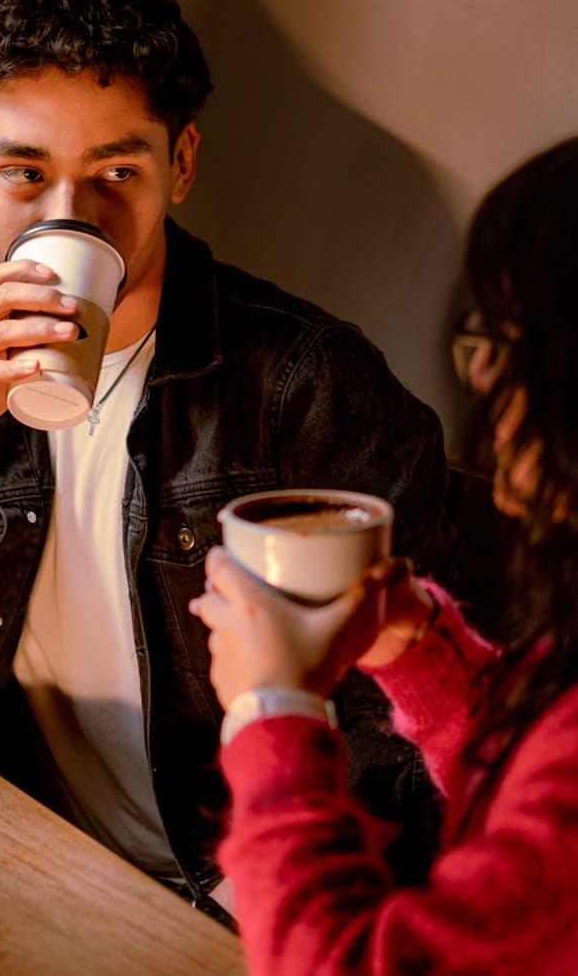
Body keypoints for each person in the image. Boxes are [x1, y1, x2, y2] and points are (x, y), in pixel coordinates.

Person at [0, 0, 458, 919]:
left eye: (116, 170)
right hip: (34, 865)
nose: (69, 215)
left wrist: (217, 927)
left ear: (182, 164)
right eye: (22, 171)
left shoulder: (305, 385)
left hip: (235, 906)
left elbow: (409, 739)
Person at [191, 135, 578, 967]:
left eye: (503, 349)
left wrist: (273, 709)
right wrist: (418, 650)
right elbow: (530, 795)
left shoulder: (310, 373)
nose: (483, 387)